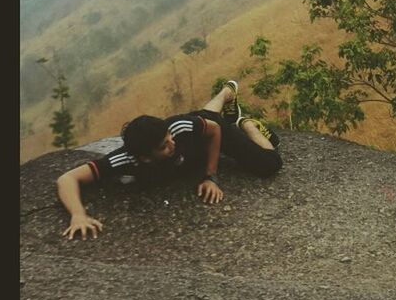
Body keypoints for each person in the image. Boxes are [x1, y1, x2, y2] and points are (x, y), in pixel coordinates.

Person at [56, 80, 281, 241]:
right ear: (144, 157)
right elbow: (68, 179)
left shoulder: (176, 129)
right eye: (163, 146)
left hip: (209, 136)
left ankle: (246, 122)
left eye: (169, 138)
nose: (171, 143)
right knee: (203, 116)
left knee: (270, 164)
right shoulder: (125, 159)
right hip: (196, 132)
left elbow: (213, 130)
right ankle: (225, 93)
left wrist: (210, 176)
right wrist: (78, 215)